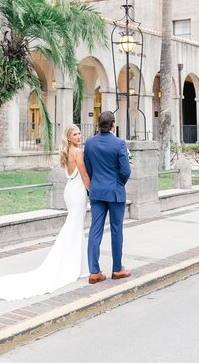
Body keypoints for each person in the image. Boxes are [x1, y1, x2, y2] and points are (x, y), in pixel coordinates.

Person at [0, 125, 90, 301]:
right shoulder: (78, 152)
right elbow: (85, 174)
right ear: (69, 138)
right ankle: (73, 266)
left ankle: (78, 264)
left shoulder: (66, 152)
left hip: (70, 190)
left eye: (79, 133)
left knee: (74, 226)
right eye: (75, 134)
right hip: (78, 191)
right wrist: (91, 191)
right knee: (75, 226)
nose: (79, 136)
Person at [84, 111, 131, 284]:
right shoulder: (119, 143)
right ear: (113, 124)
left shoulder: (89, 143)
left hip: (96, 191)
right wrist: (119, 182)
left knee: (95, 229)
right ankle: (117, 269)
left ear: (98, 125)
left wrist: (96, 182)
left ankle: (94, 271)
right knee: (116, 230)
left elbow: (89, 169)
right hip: (115, 191)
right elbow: (126, 171)